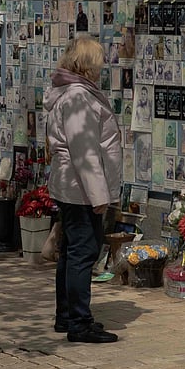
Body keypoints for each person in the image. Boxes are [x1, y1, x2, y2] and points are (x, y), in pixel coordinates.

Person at [46, 36, 123, 343]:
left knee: (72, 251)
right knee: (83, 251)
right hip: (79, 188)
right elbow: (85, 152)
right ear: (87, 65)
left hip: (72, 185)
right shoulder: (78, 97)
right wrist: (99, 197)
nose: (102, 69)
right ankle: (79, 322)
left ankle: (66, 317)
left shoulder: (71, 92)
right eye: (99, 63)